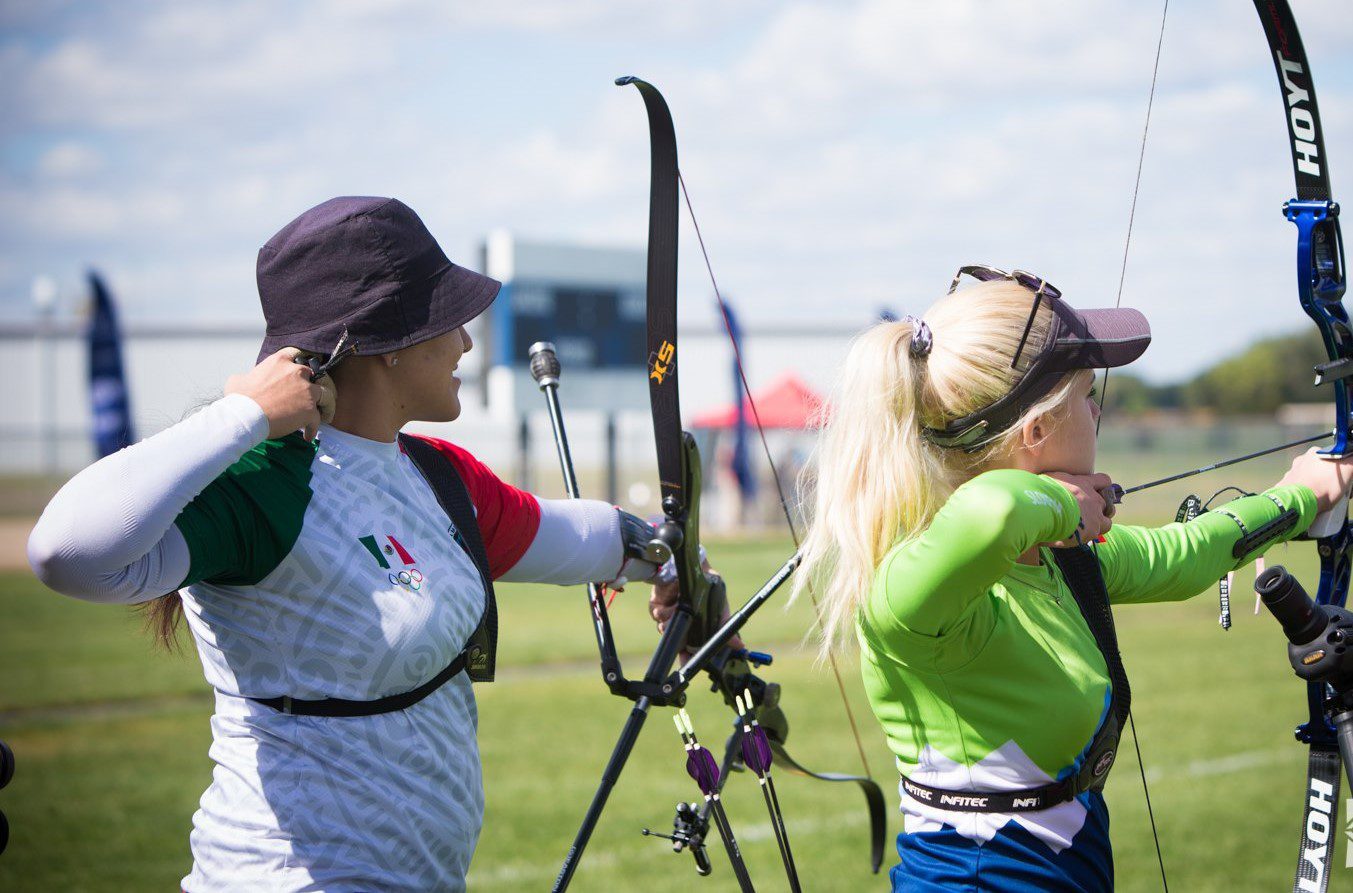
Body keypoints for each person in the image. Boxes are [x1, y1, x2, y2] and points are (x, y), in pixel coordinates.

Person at [27, 196, 679, 892]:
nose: (464, 341)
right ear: (384, 344)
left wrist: (672, 560)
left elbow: (572, 535)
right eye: (444, 318)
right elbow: (65, 551)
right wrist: (244, 413)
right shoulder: (262, 481)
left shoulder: (432, 473)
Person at [788, 265, 1353, 892]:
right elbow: (993, 510)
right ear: (1037, 433)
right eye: (1089, 395)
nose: (1097, 411)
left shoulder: (1056, 558)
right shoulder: (912, 593)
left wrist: (1299, 493)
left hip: (1066, 866)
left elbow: (1183, 554)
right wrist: (1059, 503)